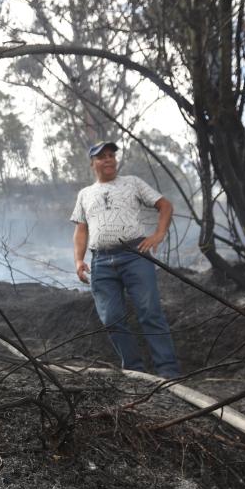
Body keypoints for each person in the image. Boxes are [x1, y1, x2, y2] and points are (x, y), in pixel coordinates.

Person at [71, 141, 181, 376]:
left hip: (135, 256)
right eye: (102, 157)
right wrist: (79, 261)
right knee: (111, 318)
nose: (108, 159)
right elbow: (81, 229)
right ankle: (135, 372)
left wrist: (158, 234)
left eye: (111, 155)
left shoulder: (132, 183)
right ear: (93, 164)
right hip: (101, 261)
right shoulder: (85, 194)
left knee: (150, 312)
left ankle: (169, 372)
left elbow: (165, 205)